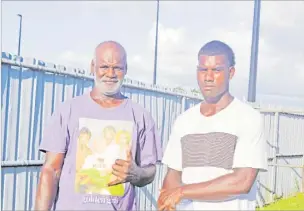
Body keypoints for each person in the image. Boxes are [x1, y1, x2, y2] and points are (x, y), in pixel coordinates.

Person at [34, 41, 162, 211]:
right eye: (104, 66)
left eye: (117, 67)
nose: (110, 73)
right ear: (92, 66)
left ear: (126, 69)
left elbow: (150, 171)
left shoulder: (140, 116)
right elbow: (51, 170)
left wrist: (137, 174)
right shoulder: (69, 111)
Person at [158, 40, 268, 210]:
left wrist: (182, 192)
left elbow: (242, 181)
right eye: (203, 70)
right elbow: (173, 174)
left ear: (231, 73)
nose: (208, 77)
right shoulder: (184, 121)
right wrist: (167, 198)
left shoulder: (249, 118)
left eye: (216, 70)